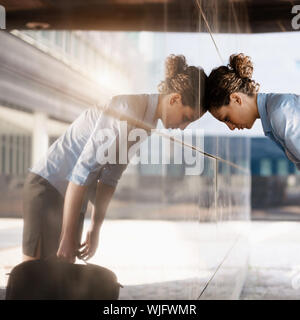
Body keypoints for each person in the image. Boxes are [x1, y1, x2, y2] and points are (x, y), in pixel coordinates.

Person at [22, 54, 207, 264]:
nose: (183, 127)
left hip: (73, 197)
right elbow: (82, 172)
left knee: (61, 278)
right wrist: (67, 236)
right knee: (31, 276)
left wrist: (95, 228)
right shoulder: (128, 108)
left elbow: (111, 178)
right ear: (174, 99)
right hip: (48, 185)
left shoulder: (148, 123)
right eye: (186, 118)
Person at [204, 53, 300, 169]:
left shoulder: (279, 113)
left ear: (236, 99)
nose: (231, 127)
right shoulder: (275, 111)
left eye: (227, 118)